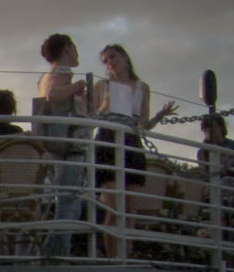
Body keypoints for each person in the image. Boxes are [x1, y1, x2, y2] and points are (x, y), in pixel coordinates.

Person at [90, 44, 176, 257]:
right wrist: (104, 106)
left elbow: (143, 125)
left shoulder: (142, 87)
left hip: (131, 142)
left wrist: (159, 116)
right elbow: (90, 116)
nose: (109, 62)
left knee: (129, 207)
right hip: (108, 140)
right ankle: (112, 257)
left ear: (125, 58)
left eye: (112, 57)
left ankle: (125, 255)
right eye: (105, 60)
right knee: (114, 205)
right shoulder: (102, 86)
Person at [38, 33, 91, 258]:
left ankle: (62, 250)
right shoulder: (63, 72)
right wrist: (77, 85)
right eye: (75, 47)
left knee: (72, 200)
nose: (77, 52)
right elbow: (53, 95)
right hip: (68, 143)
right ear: (68, 48)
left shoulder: (45, 75)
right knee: (69, 198)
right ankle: (55, 253)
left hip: (53, 143)